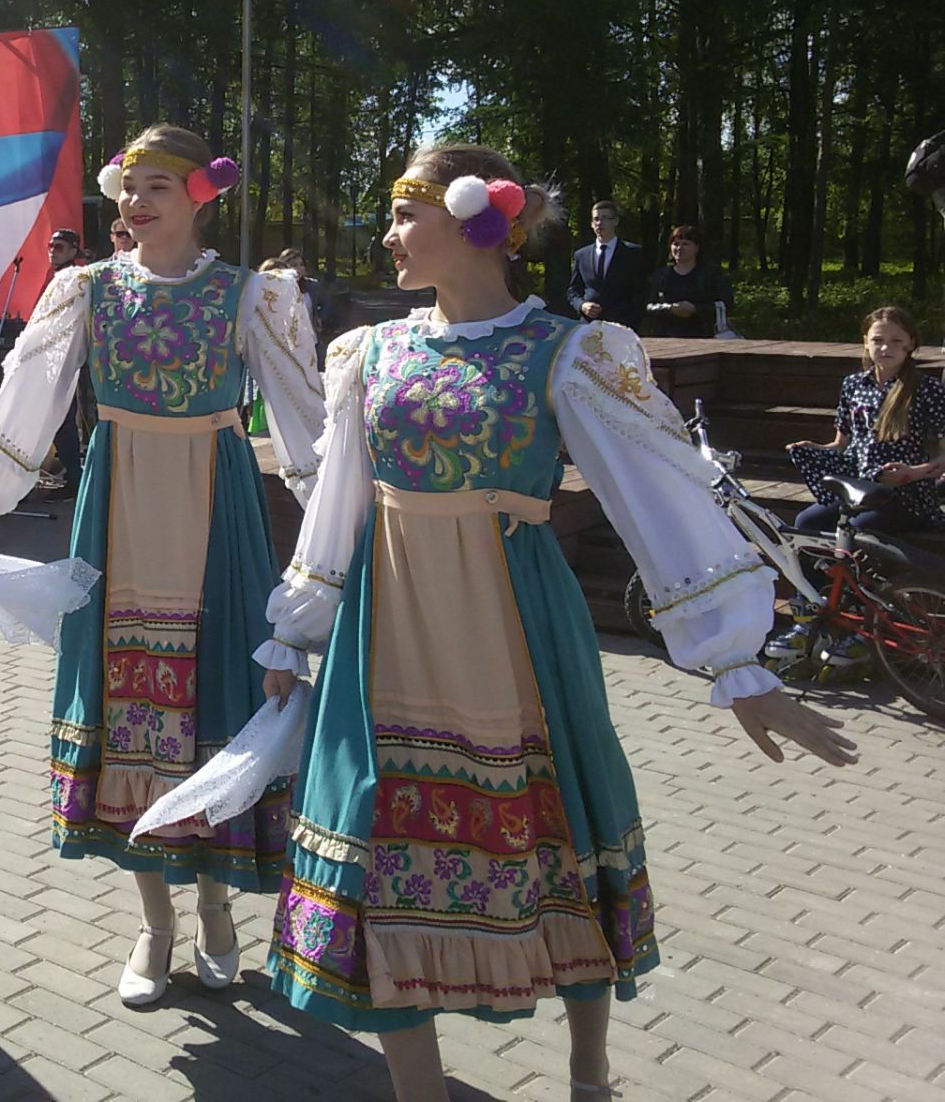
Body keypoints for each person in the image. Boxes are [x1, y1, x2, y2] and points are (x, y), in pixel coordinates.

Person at [258, 144, 853, 1102]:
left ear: (474, 221)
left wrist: (735, 662)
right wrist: (297, 627)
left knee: (559, 828)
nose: (389, 234)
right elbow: (338, 499)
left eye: (408, 215)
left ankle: (588, 1077)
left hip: (513, 621)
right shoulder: (370, 351)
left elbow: (654, 496)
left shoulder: (566, 352)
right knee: (369, 834)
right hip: (388, 621)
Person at [0, 124, 328, 1007]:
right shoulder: (84, 292)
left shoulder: (250, 296)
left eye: (158, 186)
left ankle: (218, 907)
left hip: (214, 507)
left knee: (218, 696)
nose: (136, 202)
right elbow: (28, 400)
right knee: (126, 705)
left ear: (201, 196)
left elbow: (308, 425)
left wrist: (335, 541)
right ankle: (155, 924)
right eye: (129, 186)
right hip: (116, 507)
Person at [777, 307, 945, 672]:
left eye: (896, 342)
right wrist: (815, 449)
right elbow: (842, 443)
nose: (886, 349)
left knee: (859, 532)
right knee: (805, 523)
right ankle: (808, 618)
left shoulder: (927, 389)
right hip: (857, 487)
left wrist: (913, 473)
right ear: (866, 344)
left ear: (911, 345)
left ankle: (860, 625)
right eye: (878, 341)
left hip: (904, 494)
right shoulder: (854, 384)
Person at [41, 228, 89, 501]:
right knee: (62, 420)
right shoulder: (60, 277)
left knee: (73, 420)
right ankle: (74, 476)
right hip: (62, 359)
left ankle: (78, 478)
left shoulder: (76, 278)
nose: (52, 251)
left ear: (73, 250)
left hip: (77, 360)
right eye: (50, 246)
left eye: (59, 247)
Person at [566, 199, 650, 329]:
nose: (600, 223)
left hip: (622, 325)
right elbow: (573, 290)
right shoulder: (581, 255)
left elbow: (642, 291)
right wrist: (582, 305)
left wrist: (632, 321)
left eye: (605, 218)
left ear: (615, 221)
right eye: (596, 219)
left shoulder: (633, 253)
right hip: (589, 325)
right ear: (591, 224)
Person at [642, 225, 733, 340]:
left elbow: (726, 304)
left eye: (685, 244)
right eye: (676, 244)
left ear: (696, 248)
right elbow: (648, 305)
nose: (679, 248)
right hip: (666, 339)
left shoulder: (712, 274)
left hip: (706, 338)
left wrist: (695, 309)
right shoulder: (661, 275)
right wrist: (670, 308)